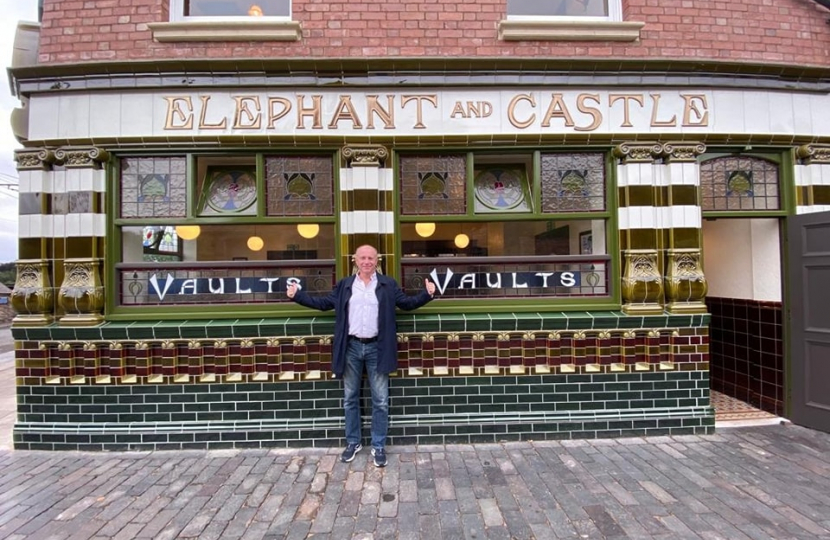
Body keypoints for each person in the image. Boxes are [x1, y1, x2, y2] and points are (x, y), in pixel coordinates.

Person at [286, 245, 436, 467]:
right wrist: (298, 296)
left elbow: (406, 304)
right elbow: (324, 304)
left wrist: (427, 294)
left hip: (378, 347)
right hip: (351, 347)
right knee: (350, 398)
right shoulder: (345, 285)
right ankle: (353, 442)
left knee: (381, 401)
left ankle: (378, 446)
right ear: (355, 260)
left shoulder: (387, 284)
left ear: (377, 261)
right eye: (362, 257)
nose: (367, 261)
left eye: (371, 258)